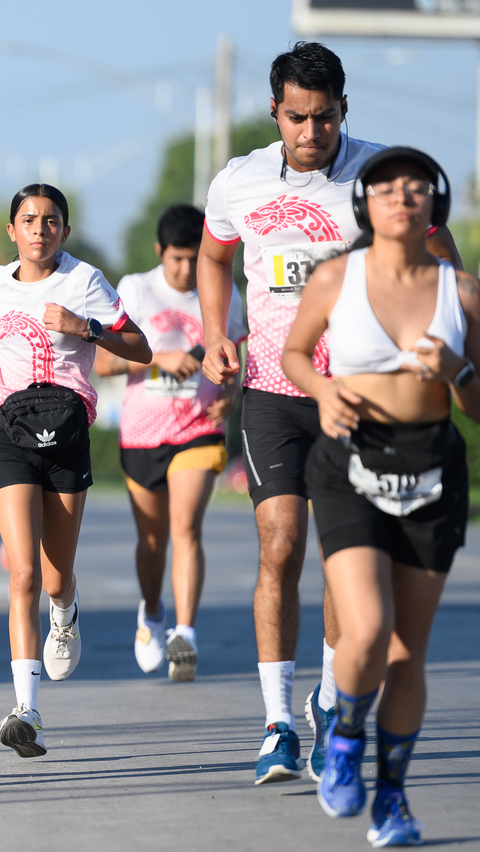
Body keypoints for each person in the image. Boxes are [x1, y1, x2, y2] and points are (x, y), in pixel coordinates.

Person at [197, 42, 463, 784]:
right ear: (274, 112)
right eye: (296, 118)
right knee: (280, 545)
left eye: (324, 117)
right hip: (275, 389)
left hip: (361, 396)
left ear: (345, 109)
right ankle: (277, 723)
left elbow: (444, 257)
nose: (310, 132)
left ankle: (327, 699)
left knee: (343, 561)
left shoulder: (383, 176)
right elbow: (215, 258)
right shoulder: (239, 181)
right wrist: (216, 332)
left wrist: (442, 328)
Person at [281, 147, 475, 847]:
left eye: (416, 188)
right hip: (350, 467)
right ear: (367, 203)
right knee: (364, 629)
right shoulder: (337, 277)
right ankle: (345, 735)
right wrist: (324, 390)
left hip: (432, 472)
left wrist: (459, 371)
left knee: (405, 654)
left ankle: (392, 797)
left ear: (434, 203)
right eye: (387, 188)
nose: (402, 197)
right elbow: (294, 354)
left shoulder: (463, 292)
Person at [0, 184, 151, 757]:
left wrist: (85, 328)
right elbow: (4, 328)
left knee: (55, 578)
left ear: (65, 231)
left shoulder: (85, 281)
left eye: (50, 220)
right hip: (9, 426)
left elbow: (141, 348)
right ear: (12, 231)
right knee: (23, 572)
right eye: (28, 220)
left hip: (66, 428)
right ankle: (25, 708)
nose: (39, 229)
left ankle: (65, 611)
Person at [96, 204, 246, 682]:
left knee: (186, 527)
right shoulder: (135, 290)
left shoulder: (224, 292)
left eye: (193, 258)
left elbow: (236, 358)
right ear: (160, 251)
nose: (185, 269)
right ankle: (153, 612)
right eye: (177, 258)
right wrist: (161, 358)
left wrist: (231, 394)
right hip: (142, 433)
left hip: (198, 428)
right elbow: (102, 363)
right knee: (152, 541)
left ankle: (185, 633)